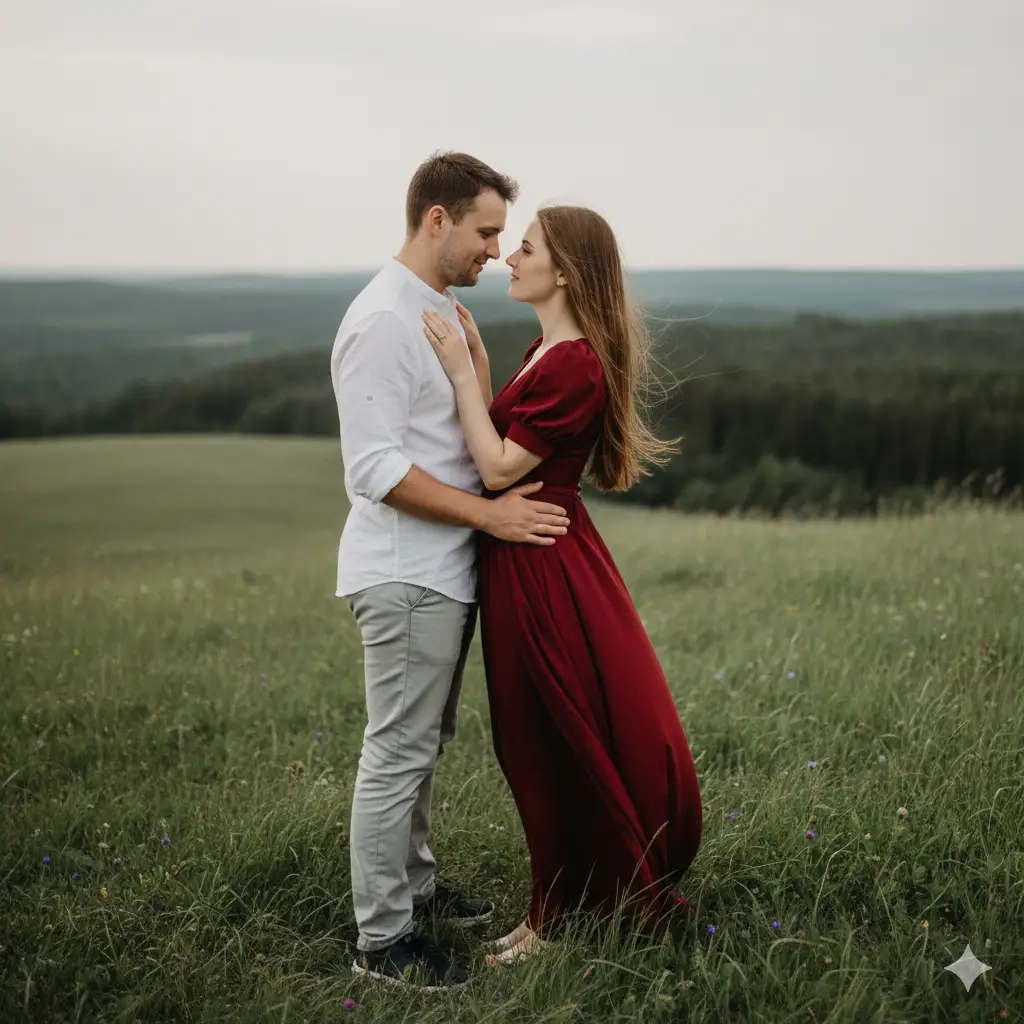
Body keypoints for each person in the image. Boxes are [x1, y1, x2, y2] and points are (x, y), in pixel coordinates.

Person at [420, 204, 703, 964]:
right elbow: (502, 435)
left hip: (544, 566)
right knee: (530, 742)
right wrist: (478, 365)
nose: (510, 257)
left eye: (527, 247)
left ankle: (556, 922)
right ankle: (553, 908)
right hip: (525, 557)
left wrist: (455, 373)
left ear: (566, 271)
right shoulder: (547, 348)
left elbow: (498, 467)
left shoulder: (576, 363)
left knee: (550, 738)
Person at [330, 152, 573, 990]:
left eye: (505, 235)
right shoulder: (383, 320)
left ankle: (418, 888)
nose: (496, 251)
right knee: (396, 752)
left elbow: (458, 434)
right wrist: (491, 517)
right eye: (485, 231)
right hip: (404, 573)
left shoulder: (433, 308)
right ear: (437, 219)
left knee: (424, 744)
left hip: (442, 571)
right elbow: (375, 470)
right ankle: (383, 942)